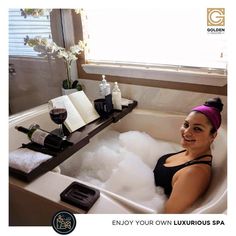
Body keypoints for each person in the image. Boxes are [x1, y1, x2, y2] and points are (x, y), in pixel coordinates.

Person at [153, 97, 224, 213]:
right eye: (186, 125)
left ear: (213, 135)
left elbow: (168, 216)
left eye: (197, 129)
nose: (186, 132)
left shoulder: (195, 173)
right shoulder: (191, 150)